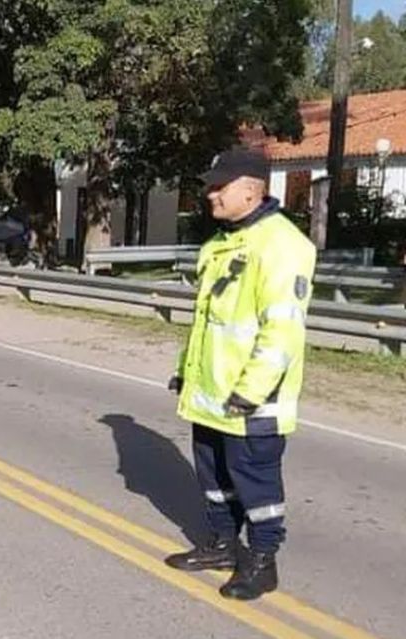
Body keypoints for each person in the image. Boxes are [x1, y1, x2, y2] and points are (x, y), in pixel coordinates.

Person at [165, 147, 316, 601]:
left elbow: (282, 330)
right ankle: (222, 545)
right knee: (214, 480)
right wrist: (185, 372)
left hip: (252, 400)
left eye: (219, 186)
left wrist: (250, 391)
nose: (210, 194)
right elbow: (207, 322)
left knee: (256, 484)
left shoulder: (283, 245)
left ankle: (263, 561)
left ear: (251, 190)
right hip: (212, 393)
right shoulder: (219, 244)